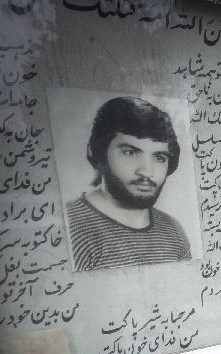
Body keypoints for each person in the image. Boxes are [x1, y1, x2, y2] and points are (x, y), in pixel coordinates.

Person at [66, 96, 191, 272]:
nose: (147, 172)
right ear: (97, 152)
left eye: (159, 157)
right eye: (130, 152)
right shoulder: (71, 229)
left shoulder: (174, 232)